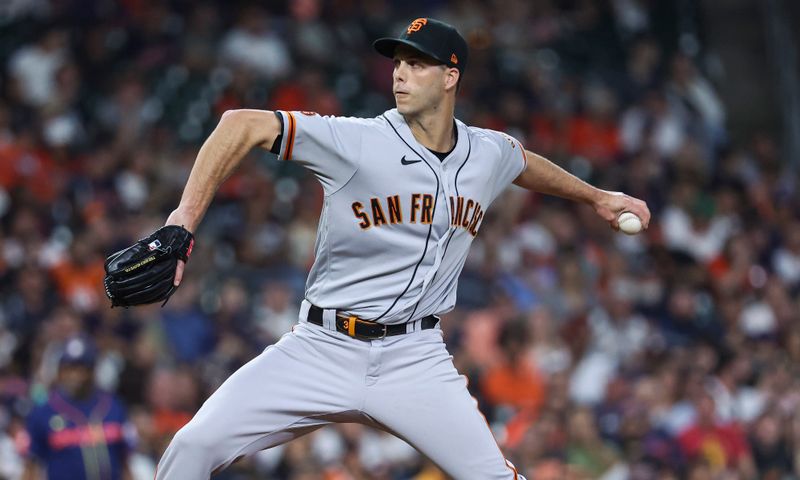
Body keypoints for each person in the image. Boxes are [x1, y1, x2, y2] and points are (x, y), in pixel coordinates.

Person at [154, 17, 650, 479]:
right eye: (397, 63)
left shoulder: (487, 152)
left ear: (450, 77)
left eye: (417, 64)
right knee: (193, 446)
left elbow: (522, 163)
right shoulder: (359, 141)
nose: (400, 74)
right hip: (322, 346)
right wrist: (183, 220)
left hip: (414, 357)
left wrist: (598, 196)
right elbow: (239, 123)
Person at [24, 336, 134, 480]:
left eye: (83, 368)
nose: (76, 375)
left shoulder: (114, 407)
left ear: (93, 370)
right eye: (70, 368)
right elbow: (31, 467)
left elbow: (124, 462)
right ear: (60, 371)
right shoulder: (43, 412)